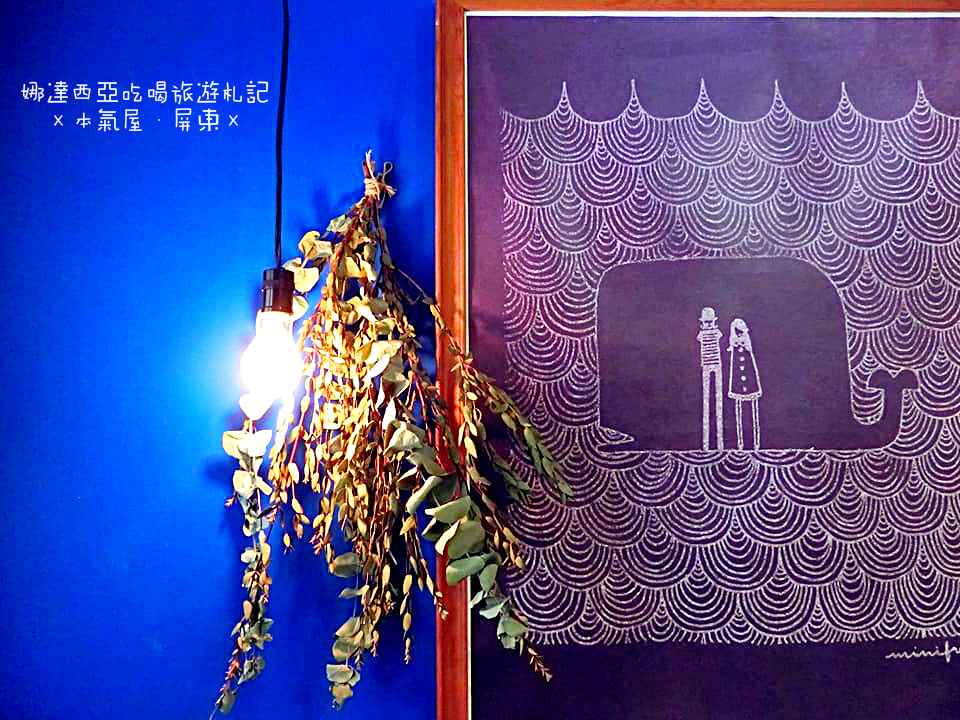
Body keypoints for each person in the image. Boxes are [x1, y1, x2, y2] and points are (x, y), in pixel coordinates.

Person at [728, 318, 762, 450]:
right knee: (739, 409)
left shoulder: (747, 344)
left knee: (753, 409)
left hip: (750, 378)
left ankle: (756, 444)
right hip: (738, 379)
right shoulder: (734, 346)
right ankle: (740, 444)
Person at [696, 307, 723, 451]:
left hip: (716, 364)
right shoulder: (702, 334)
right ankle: (706, 445)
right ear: (702, 323)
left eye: (710, 322)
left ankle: (720, 445)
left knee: (718, 399)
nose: (708, 324)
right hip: (706, 365)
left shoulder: (717, 333)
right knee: (706, 398)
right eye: (706, 322)